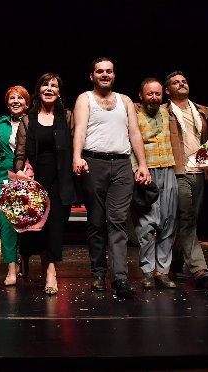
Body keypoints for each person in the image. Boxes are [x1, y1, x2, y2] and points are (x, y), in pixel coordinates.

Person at [72, 57, 150, 297]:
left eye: (108, 71)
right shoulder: (85, 99)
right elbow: (80, 129)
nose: (104, 74)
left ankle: (120, 278)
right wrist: (77, 157)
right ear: (92, 76)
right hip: (93, 163)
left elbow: (134, 132)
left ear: (114, 75)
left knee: (117, 220)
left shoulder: (124, 100)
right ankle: (98, 274)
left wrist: (142, 165)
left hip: (121, 165)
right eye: (100, 71)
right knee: (96, 222)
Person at [14, 73, 78, 296]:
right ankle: (26, 258)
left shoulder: (67, 117)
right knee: (33, 229)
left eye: (54, 85)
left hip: (61, 180)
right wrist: (20, 170)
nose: (49, 88)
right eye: (45, 85)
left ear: (59, 92)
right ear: (38, 90)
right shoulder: (28, 120)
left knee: (55, 225)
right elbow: (20, 151)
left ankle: (51, 271)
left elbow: (76, 145)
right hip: (35, 181)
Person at [163, 71, 208, 288]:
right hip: (178, 171)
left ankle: (175, 262)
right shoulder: (163, 111)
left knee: (190, 219)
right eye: (176, 83)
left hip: (200, 171)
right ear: (167, 90)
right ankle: (199, 268)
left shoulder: (202, 110)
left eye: (183, 81)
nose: (181, 84)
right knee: (187, 218)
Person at [132, 77, 178, 290]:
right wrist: (137, 170)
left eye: (157, 94)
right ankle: (148, 271)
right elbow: (129, 144)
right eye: (149, 93)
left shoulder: (167, 112)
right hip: (146, 173)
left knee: (168, 222)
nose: (154, 97)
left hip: (168, 169)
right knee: (146, 225)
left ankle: (163, 271)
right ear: (140, 96)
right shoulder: (134, 116)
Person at [0, 85, 31, 287]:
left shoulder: (34, 122)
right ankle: (11, 268)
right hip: (3, 178)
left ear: (27, 103)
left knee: (26, 223)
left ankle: (26, 260)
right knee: (6, 222)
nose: (16, 101)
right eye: (12, 98)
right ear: (7, 103)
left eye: (20, 98)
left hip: (28, 176)